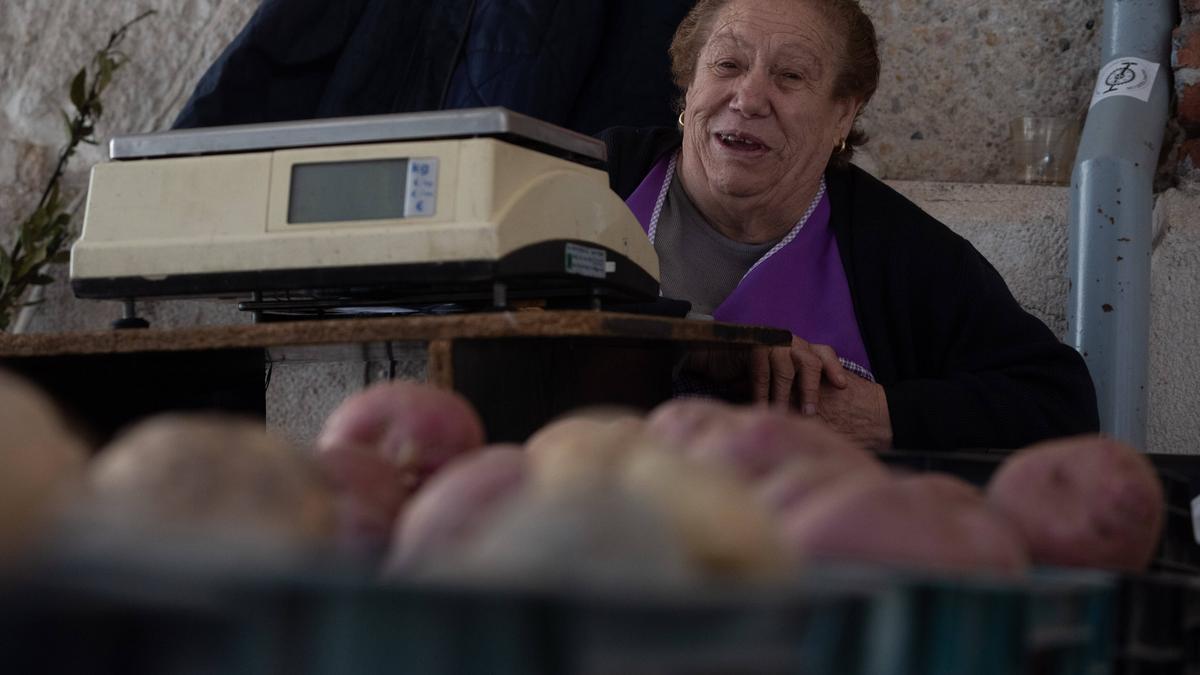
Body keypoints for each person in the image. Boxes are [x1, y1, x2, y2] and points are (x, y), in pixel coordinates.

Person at [599, 0, 1099, 451]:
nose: (749, 99)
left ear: (843, 113)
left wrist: (883, 415)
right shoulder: (597, 176)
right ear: (689, 85)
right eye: (727, 65)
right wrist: (704, 345)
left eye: (791, 76)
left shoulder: (899, 250)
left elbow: (1060, 404)